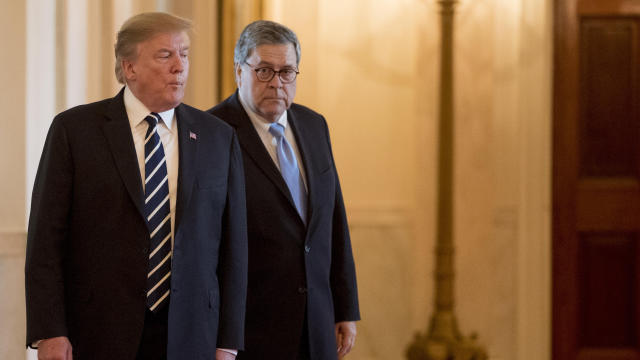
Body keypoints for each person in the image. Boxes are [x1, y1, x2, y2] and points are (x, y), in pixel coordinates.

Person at [25, 12, 247, 360]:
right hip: (98, 331)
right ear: (129, 68)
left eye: (184, 54)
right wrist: (50, 331)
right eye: (165, 55)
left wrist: (228, 341)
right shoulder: (75, 131)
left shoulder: (218, 137)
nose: (180, 66)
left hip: (191, 334)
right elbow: (45, 241)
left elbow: (234, 248)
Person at [208, 20, 360, 360]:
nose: (277, 83)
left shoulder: (313, 124)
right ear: (239, 71)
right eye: (264, 71)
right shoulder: (211, 131)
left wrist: (345, 306)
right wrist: (221, 335)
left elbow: (333, 217)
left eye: (287, 72)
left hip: (317, 322)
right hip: (251, 328)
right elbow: (205, 243)